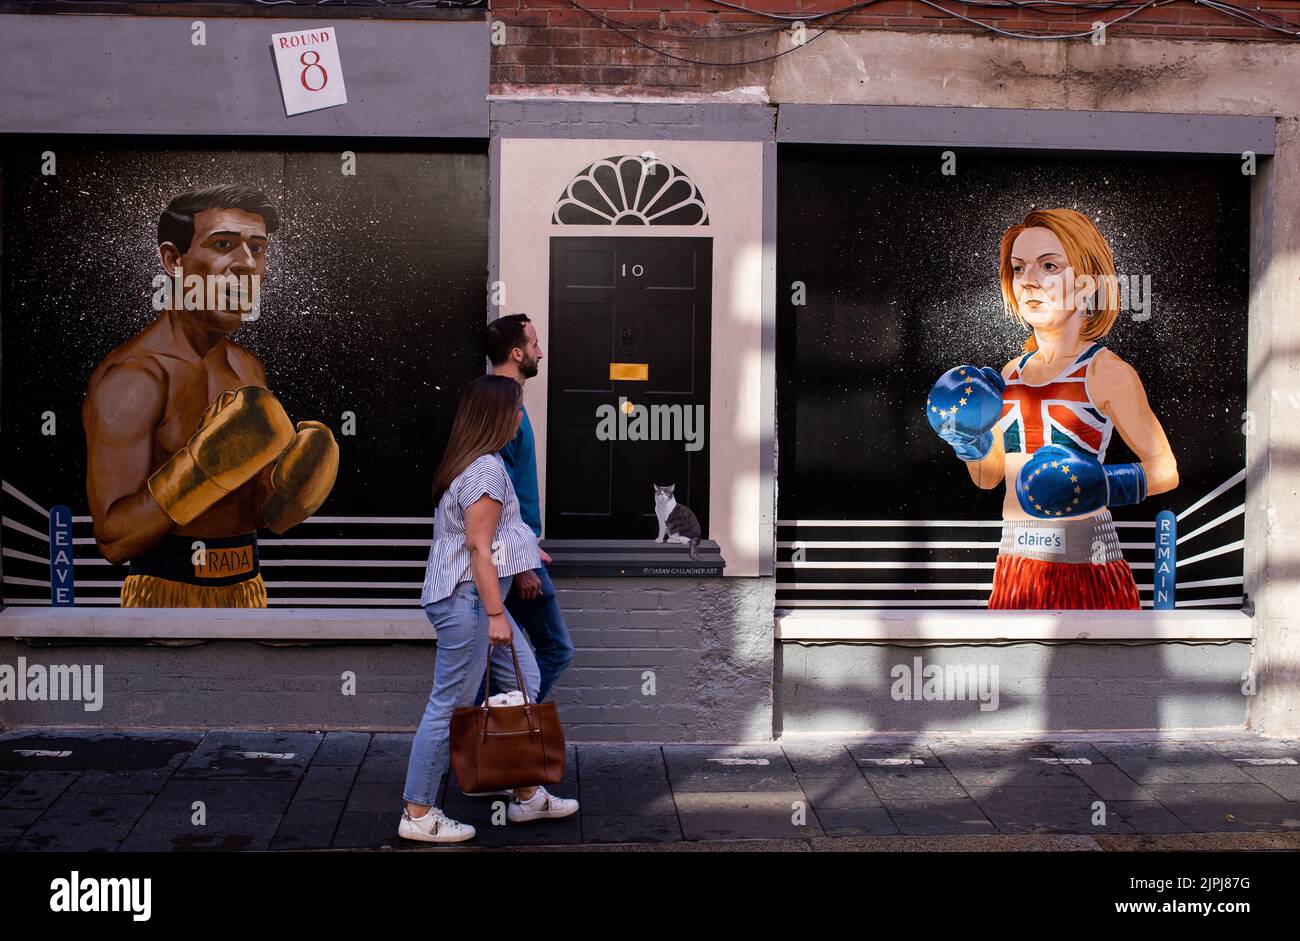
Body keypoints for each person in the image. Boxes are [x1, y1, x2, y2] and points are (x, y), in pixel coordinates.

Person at [81, 184, 338, 607]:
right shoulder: (135, 377)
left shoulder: (246, 368)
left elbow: (251, 512)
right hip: (163, 596)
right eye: (224, 245)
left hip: (249, 591)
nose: (247, 265)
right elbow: (113, 539)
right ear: (173, 260)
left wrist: (290, 494)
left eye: (258, 248)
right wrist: (200, 469)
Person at [925, 208, 1178, 609]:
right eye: (1019, 268)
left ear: (1086, 284)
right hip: (1015, 563)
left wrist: (1102, 485)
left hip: (1086, 564)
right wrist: (967, 440)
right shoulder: (1009, 374)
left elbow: (1165, 471)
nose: (1029, 281)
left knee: (1100, 672)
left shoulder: (1106, 371)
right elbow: (989, 477)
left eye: (1048, 265)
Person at [400, 374, 579, 843]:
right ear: (498, 416)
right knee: (450, 705)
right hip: (468, 602)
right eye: (516, 410)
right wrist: (498, 614)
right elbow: (479, 550)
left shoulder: (482, 463)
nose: (521, 418)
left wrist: (524, 558)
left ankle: (526, 794)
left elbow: (494, 538)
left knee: (527, 675)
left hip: (475, 598)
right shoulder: (483, 470)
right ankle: (418, 813)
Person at [476, 314, 574, 703]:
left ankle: (487, 735)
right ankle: (503, 729)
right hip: (515, 557)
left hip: (518, 551)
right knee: (556, 649)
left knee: (493, 661)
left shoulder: (506, 402)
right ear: (517, 353)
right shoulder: (502, 407)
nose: (541, 352)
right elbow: (491, 496)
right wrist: (522, 567)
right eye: (534, 345)